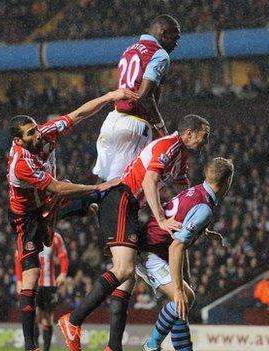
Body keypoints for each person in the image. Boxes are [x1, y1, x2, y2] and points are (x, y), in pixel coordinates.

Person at [59, 114, 210, 351]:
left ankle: (113, 347)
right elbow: (150, 181)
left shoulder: (181, 157)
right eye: (204, 135)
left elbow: (184, 189)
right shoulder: (169, 144)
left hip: (129, 207)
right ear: (189, 133)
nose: (205, 141)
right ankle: (73, 320)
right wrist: (161, 219)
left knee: (127, 281)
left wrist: (196, 218)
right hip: (121, 200)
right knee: (125, 269)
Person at [8, 89, 134, 351]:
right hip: (28, 215)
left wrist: (111, 95)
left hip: (50, 201)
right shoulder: (20, 163)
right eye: (30, 133)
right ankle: (30, 346)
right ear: (18, 141)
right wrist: (96, 187)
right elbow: (56, 188)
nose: (37, 134)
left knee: (91, 198)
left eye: (35, 128)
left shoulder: (46, 132)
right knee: (31, 274)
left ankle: (84, 211)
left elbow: (79, 113)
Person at [137, 157, 234, 351]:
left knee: (181, 303)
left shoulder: (198, 190)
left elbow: (182, 215)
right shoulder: (205, 208)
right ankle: (151, 345)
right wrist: (179, 289)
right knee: (184, 297)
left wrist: (204, 231)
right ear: (227, 182)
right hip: (151, 252)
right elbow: (176, 247)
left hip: (156, 245)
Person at [93, 14, 181, 181]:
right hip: (134, 124)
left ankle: (91, 208)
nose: (176, 43)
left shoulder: (130, 48)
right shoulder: (160, 54)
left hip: (113, 119)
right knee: (122, 185)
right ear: (163, 33)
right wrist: (161, 128)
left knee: (100, 183)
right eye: (175, 37)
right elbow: (144, 96)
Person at [16, 231, 68, 351]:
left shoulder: (55, 237)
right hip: (33, 284)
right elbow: (18, 258)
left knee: (47, 318)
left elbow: (63, 256)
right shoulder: (29, 235)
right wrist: (19, 280)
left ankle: (46, 349)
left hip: (49, 284)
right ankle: (35, 347)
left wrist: (63, 273)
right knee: (34, 316)